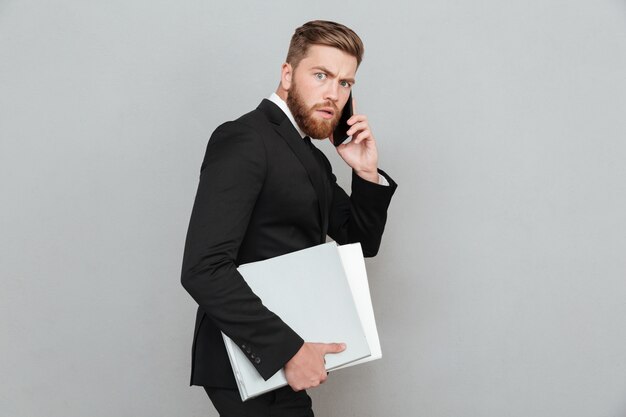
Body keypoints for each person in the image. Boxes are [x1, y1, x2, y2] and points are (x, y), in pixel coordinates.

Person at [181, 20, 397, 416]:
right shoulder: (245, 139)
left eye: (345, 83)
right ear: (286, 74)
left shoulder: (310, 155)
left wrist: (365, 173)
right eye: (321, 75)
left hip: (281, 361)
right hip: (248, 362)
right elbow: (203, 268)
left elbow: (361, 241)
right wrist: (288, 351)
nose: (333, 93)